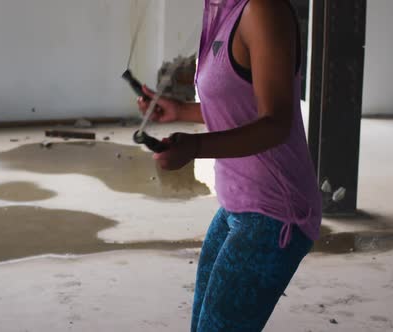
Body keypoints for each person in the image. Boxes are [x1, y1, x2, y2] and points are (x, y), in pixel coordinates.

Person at [136, 0, 321, 330]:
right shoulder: (219, 9)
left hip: (276, 213)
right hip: (237, 204)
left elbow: (275, 124)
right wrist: (180, 110)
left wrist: (195, 147)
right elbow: (236, 104)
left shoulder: (263, 10)